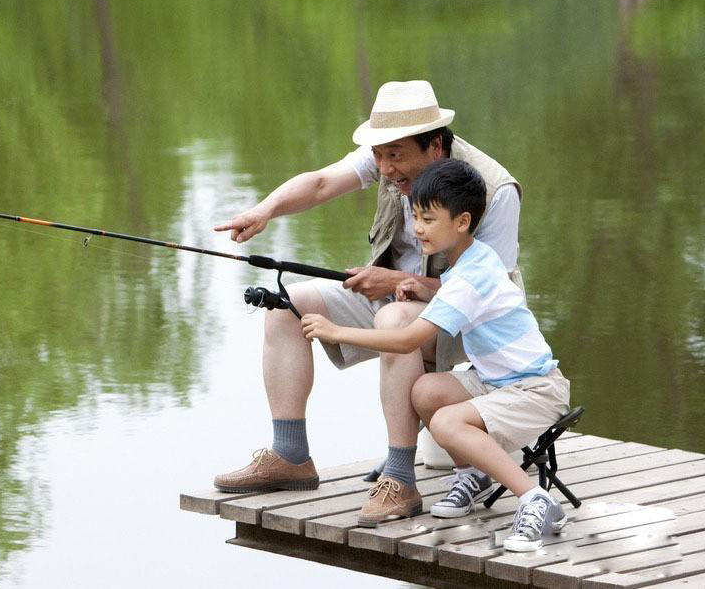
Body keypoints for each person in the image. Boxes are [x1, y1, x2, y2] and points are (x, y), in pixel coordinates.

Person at [211, 80, 523, 508]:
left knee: (396, 319)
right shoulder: (388, 157)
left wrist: (394, 284)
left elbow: (493, 295)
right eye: (379, 156)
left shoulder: (495, 190)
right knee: (286, 304)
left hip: (468, 326)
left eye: (395, 156)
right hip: (395, 302)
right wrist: (264, 210)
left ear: (434, 146)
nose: (386, 168)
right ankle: (290, 457)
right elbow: (321, 183)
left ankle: (400, 478)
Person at [301, 159, 571, 551]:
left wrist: (335, 330)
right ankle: (474, 475)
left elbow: (409, 339)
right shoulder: (473, 258)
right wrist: (425, 289)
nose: (418, 228)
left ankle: (535, 500)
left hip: (534, 391)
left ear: (462, 221)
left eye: (428, 218)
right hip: (497, 382)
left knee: (445, 422)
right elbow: (454, 289)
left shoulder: (469, 276)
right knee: (425, 390)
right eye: (414, 217)